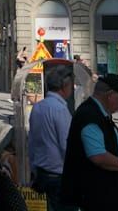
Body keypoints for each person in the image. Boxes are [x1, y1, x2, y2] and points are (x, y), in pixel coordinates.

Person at [60, 75, 118, 211]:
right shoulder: (90, 115)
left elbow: (107, 147)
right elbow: (98, 156)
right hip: (102, 197)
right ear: (110, 95)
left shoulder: (99, 113)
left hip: (111, 196)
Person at [28, 64, 79, 211]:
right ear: (64, 86)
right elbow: (66, 145)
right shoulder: (60, 109)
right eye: (71, 85)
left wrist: (33, 168)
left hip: (42, 171)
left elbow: (32, 141)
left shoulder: (38, 107)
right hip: (59, 174)